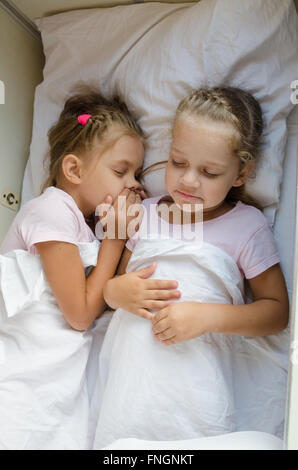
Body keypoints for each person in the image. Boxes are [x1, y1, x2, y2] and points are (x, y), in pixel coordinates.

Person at [92, 87, 290, 449]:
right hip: (132, 387)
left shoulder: (247, 226)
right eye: (178, 163)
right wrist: (116, 291)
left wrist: (207, 316)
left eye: (209, 172)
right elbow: (111, 288)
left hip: (197, 390)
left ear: (241, 173)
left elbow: (276, 314)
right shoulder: (144, 213)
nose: (188, 181)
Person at [0, 85, 179, 450]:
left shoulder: (86, 228)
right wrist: (114, 240)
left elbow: (101, 297)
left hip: (62, 382)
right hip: (23, 371)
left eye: (138, 174)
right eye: (121, 171)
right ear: (73, 169)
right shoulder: (51, 210)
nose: (134, 185)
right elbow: (80, 314)